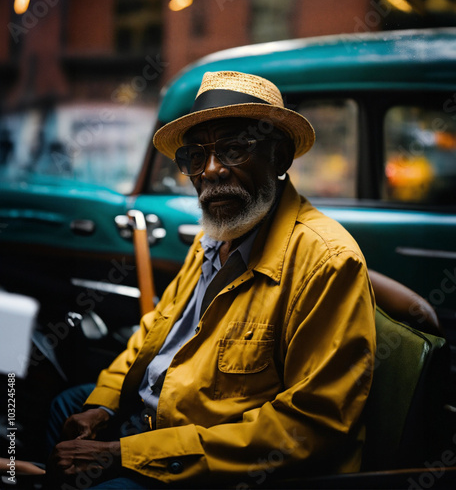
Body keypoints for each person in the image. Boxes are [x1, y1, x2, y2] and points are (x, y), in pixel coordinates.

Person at [49, 71, 376, 489]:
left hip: (216, 465)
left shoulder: (327, 261)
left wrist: (124, 454)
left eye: (234, 150)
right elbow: (156, 333)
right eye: (196, 157)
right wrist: (104, 406)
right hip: (158, 422)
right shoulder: (215, 237)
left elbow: (310, 427)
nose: (211, 171)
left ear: (279, 157)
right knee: (67, 408)